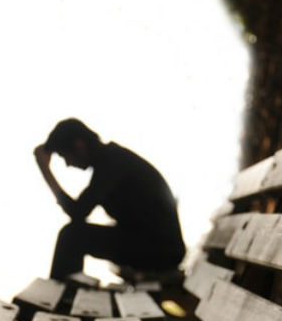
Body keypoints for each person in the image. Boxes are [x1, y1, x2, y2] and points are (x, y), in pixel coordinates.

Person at [34, 118, 186, 280]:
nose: (68, 164)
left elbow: (78, 212)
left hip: (162, 251)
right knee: (73, 235)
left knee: (71, 236)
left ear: (79, 146)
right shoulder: (110, 159)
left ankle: (58, 298)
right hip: (159, 247)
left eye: (65, 157)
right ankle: (64, 293)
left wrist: (45, 170)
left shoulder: (111, 163)